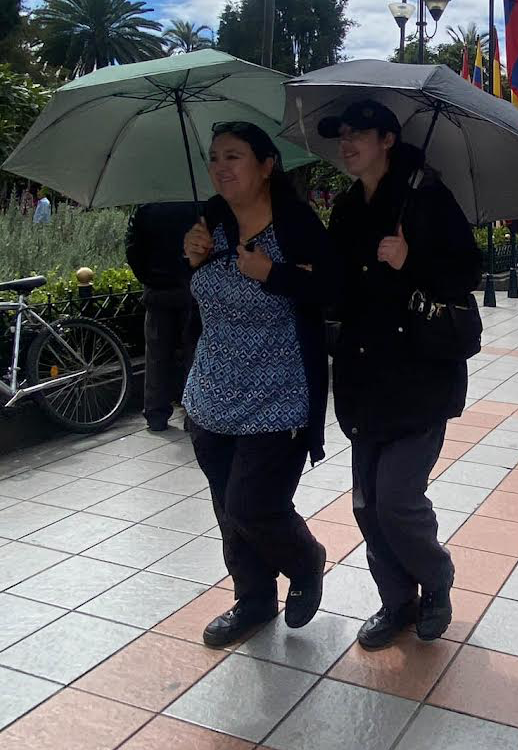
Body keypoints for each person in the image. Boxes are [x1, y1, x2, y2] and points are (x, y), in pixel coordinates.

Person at [322, 100, 480, 650]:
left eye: (358, 133)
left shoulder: (426, 196)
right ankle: (397, 601)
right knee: (366, 505)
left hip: (419, 379)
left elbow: (467, 271)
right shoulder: (346, 207)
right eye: (341, 135)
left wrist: (411, 259)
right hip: (364, 379)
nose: (346, 144)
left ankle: (435, 582)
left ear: (387, 139)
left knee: (396, 500)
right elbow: (335, 285)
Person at [181, 121, 331, 647]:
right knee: (227, 508)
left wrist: (273, 273)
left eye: (235, 156)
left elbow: (331, 293)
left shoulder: (296, 227)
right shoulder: (210, 223)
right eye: (215, 156)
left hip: (278, 395)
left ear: (267, 165)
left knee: (253, 506)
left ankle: (306, 560)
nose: (221, 167)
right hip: (210, 394)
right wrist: (190, 259)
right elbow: (185, 290)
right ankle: (253, 598)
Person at [126, 202, 200, 431]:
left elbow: (132, 248)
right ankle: (193, 414)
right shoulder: (197, 206)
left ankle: (156, 414)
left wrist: (148, 277)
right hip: (191, 288)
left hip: (157, 289)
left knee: (157, 356)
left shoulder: (146, 208)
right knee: (194, 354)